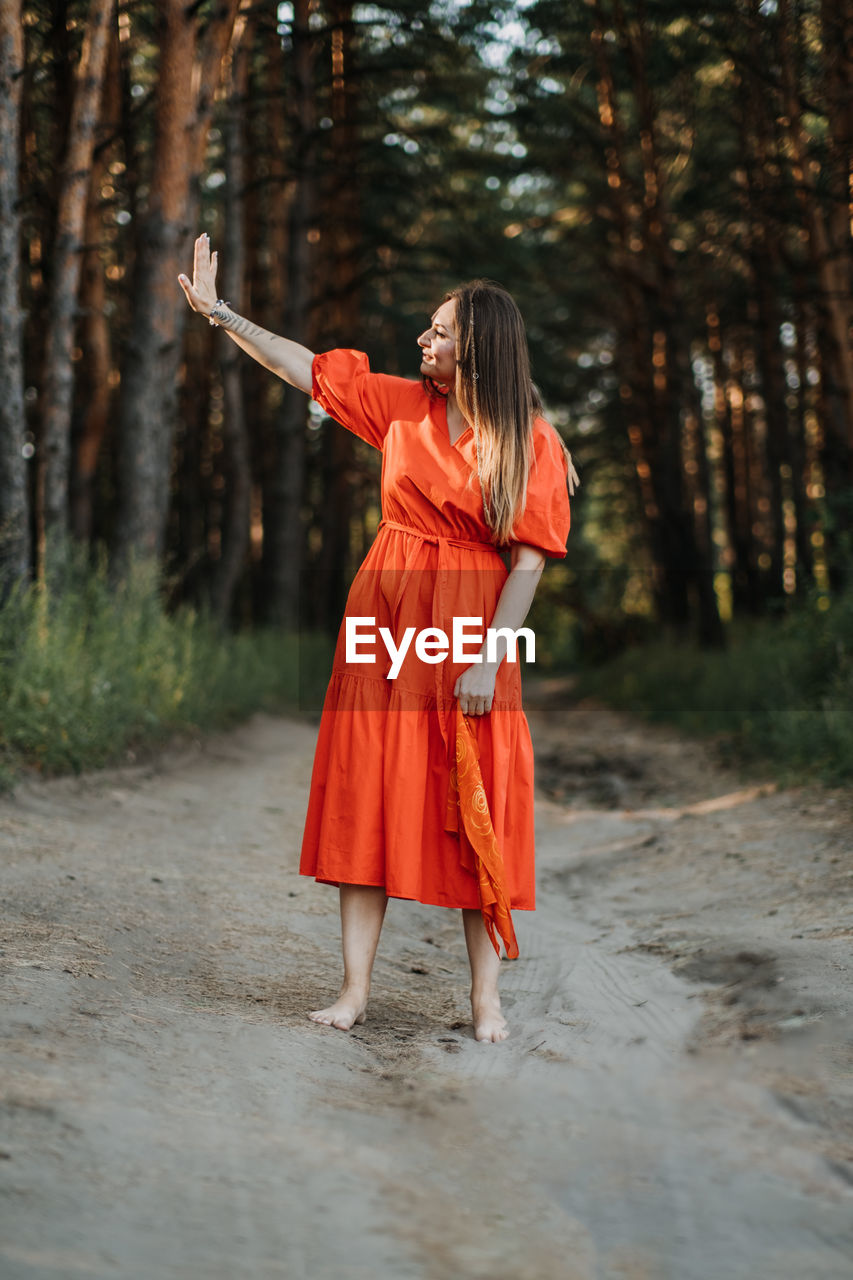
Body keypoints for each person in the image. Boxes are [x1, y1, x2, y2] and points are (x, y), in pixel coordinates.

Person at [179, 233, 576, 1043]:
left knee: (476, 806)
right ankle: (354, 990)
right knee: (368, 789)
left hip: (470, 627)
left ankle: (484, 1001)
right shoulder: (402, 406)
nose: (421, 341)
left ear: (478, 350)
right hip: (383, 614)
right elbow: (306, 367)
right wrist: (222, 316)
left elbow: (529, 564)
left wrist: (488, 657)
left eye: (437, 332)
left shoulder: (531, 442)